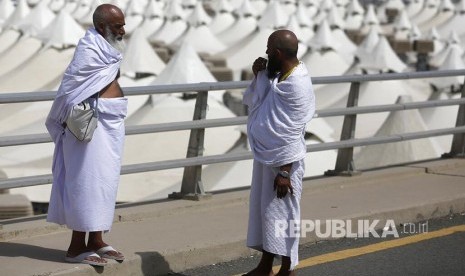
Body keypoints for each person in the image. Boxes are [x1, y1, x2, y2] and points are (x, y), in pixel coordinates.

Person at [45, 4, 127, 266]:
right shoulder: (89, 48)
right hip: (87, 127)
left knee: (105, 182)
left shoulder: (110, 49)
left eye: (123, 25)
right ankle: (75, 247)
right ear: (102, 27)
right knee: (86, 184)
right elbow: (70, 90)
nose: (123, 31)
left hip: (111, 125)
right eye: (117, 26)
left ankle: (96, 239)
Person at [242, 30, 315, 276]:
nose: (265, 55)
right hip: (267, 157)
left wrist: (284, 171)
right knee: (267, 212)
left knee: (284, 216)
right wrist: (260, 75)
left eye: (268, 51)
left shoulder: (298, 83)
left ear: (277, 53)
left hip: (285, 163)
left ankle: (287, 268)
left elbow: (292, 130)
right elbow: (263, 100)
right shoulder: (280, 75)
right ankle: (265, 265)